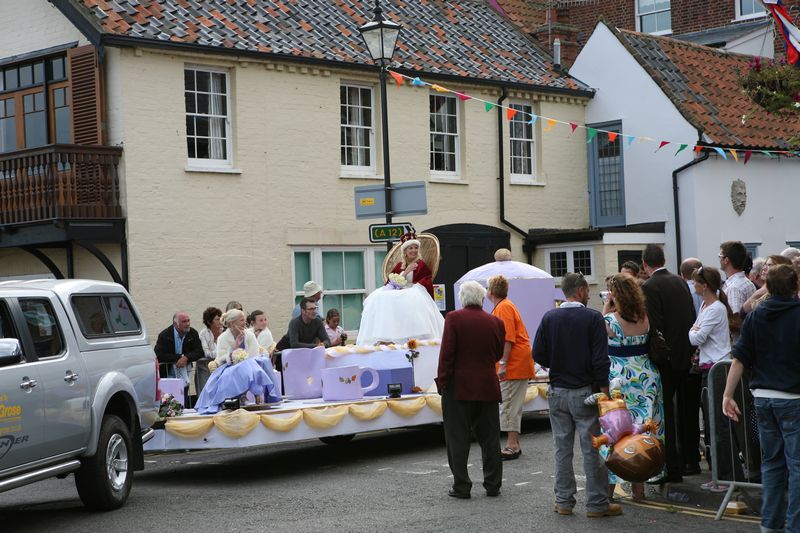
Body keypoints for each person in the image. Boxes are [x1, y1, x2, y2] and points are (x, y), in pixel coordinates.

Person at [532, 272, 622, 518]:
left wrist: (557, 363)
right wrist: (604, 393)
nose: (589, 294)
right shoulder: (593, 318)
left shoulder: (549, 317)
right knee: (592, 449)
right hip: (585, 392)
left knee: (562, 449)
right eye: (587, 290)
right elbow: (599, 360)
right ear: (581, 290)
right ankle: (596, 504)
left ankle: (564, 501)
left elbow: (538, 354)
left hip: (557, 391)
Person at [722, 265, 800, 533]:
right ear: (795, 286)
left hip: (763, 399)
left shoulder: (756, 316)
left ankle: (770, 524)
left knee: (772, 464)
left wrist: (727, 394)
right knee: (797, 466)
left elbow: (740, 358)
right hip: (793, 398)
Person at [435, 281, 505, 499]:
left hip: (459, 386)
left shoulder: (454, 318)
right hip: (487, 384)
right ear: (482, 298)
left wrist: (442, 382)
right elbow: (498, 354)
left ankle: (462, 485)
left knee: (458, 438)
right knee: (490, 439)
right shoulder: (495, 321)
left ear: (462, 298)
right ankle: (493, 484)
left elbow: (447, 354)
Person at [601, 273, 664, 500]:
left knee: (616, 431)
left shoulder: (610, 321)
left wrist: (606, 307)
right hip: (646, 377)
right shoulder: (644, 317)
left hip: (621, 379)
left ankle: (608, 490)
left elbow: (598, 334)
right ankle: (639, 489)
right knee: (641, 430)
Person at [640, 244, 698, 482]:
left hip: (665, 359)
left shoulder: (649, 286)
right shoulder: (680, 281)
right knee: (687, 412)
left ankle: (672, 467)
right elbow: (690, 316)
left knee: (667, 414)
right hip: (686, 354)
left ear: (645, 264)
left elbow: (655, 325)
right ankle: (691, 460)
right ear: (664, 259)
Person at [688, 266, 736, 491]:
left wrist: (694, 330)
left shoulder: (715, 308)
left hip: (717, 369)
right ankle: (719, 476)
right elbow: (695, 333)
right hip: (710, 368)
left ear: (704, 285)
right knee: (712, 425)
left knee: (719, 425)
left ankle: (726, 477)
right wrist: (694, 330)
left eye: (696, 281)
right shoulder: (707, 305)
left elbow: (696, 337)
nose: (693, 284)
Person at [356, 238, 444, 345]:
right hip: (398, 290)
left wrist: (415, 285)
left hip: (413, 290)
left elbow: (426, 280)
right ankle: (385, 335)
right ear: (405, 251)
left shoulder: (420, 265)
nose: (413, 250)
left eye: (416, 248)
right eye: (410, 248)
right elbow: (392, 281)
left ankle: (413, 335)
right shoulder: (399, 265)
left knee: (411, 297)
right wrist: (406, 272)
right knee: (379, 297)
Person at [486, 275, 534, 461]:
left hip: (514, 363)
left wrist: (503, 364)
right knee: (511, 403)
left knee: (509, 403)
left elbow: (508, 338)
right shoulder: (505, 305)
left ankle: (512, 445)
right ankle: (514, 443)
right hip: (518, 361)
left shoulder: (503, 307)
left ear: (491, 291)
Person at [195, 308, 279, 413]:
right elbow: (221, 358)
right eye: (241, 320)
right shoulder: (223, 338)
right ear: (232, 323)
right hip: (229, 367)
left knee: (248, 366)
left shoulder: (249, 335)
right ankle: (240, 397)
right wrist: (235, 347)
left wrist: (243, 357)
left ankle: (245, 396)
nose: (245, 323)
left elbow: (254, 354)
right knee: (231, 373)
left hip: (250, 364)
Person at [154, 311, 204, 401]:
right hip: (168, 374)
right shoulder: (164, 335)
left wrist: (186, 358)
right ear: (175, 324)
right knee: (169, 403)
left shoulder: (193, 333)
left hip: (185, 374)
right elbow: (159, 354)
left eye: (188, 321)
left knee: (183, 400)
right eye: (184, 322)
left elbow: (199, 351)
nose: (187, 324)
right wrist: (179, 357)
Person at [719, 240, 756, 325]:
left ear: (726, 260)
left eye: (720, 256)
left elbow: (735, 321)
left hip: (735, 337)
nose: (719, 259)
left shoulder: (734, 288)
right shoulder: (747, 282)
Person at [196, 306, 223, 395]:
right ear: (209, 322)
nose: (220, 321)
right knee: (207, 392)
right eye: (217, 319)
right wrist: (221, 354)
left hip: (221, 367)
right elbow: (207, 353)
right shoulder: (203, 334)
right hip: (206, 369)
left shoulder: (224, 333)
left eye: (220, 319)